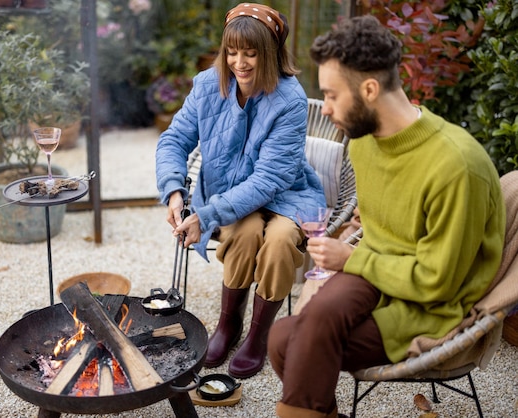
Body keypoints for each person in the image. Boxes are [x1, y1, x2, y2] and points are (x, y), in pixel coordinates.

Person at [267, 15, 506, 418]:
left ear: (370, 89)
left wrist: (349, 260)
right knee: (279, 338)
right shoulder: (364, 143)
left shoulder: (455, 166)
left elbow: (438, 283)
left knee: (293, 341)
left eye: (330, 95)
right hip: (378, 275)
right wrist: (340, 263)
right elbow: (377, 232)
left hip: (430, 304)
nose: (323, 110)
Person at [155, 3, 325, 379]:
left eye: (250, 53)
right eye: (232, 51)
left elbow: (270, 180)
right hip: (230, 198)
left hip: (288, 196)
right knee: (246, 234)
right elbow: (173, 140)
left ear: (270, 53)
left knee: (280, 241)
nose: (239, 62)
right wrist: (173, 191)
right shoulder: (206, 85)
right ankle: (229, 325)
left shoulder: (290, 99)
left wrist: (207, 214)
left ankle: (258, 337)